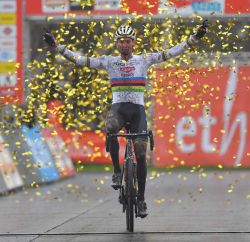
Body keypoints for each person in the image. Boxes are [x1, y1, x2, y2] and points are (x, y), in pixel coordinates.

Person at [43, 20, 208, 218]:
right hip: (119, 110)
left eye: (128, 41)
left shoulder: (144, 60)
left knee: (140, 152)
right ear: (116, 43)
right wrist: (56, 46)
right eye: (121, 41)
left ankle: (141, 199)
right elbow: (81, 60)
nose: (124, 44)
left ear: (133, 43)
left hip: (137, 111)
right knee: (111, 126)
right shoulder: (109, 61)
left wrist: (194, 39)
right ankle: (116, 170)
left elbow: (171, 52)